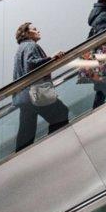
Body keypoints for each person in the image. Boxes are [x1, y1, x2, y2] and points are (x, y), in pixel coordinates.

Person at [12, 22, 69, 152]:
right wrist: (51, 58)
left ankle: (22, 158)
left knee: (26, 134)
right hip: (34, 94)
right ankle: (54, 148)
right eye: (34, 29)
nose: (38, 30)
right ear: (26, 33)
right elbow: (31, 65)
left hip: (24, 98)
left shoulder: (20, 50)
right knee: (61, 113)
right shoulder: (30, 45)